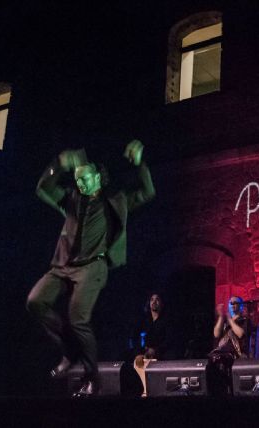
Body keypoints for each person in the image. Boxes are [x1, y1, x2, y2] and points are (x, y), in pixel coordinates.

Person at [26, 140, 155, 397]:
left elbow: (147, 192)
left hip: (93, 268)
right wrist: (58, 165)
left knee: (78, 318)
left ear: (98, 177)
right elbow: (42, 188)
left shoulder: (115, 202)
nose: (81, 184)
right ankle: (69, 350)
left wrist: (140, 164)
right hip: (62, 267)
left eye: (86, 179)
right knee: (35, 301)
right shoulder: (70, 201)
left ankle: (91, 377)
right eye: (77, 180)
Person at [207, 296, 251, 395]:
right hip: (220, 353)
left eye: (235, 302)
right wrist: (221, 317)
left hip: (236, 353)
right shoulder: (224, 321)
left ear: (241, 306)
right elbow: (216, 334)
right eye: (230, 303)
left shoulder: (244, 320)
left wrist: (230, 320)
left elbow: (240, 334)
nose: (233, 305)